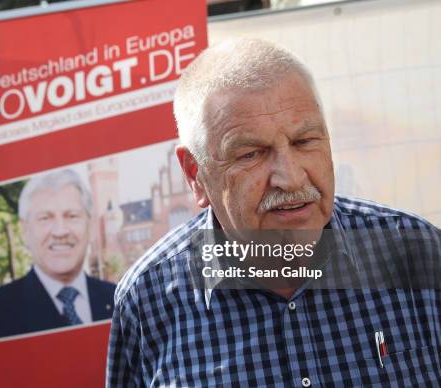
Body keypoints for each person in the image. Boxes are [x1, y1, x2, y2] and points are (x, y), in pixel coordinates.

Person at [106, 38, 440, 386]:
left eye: (304, 141)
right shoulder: (147, 301)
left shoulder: (417, 253)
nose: (291, 178)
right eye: (251, 153)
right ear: (195, 175)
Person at [0, 169, 116, 342]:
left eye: (72, 216)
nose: (60, 231)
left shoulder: (118, 300)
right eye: (45, 218)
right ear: (24, 230)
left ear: (90, 226)